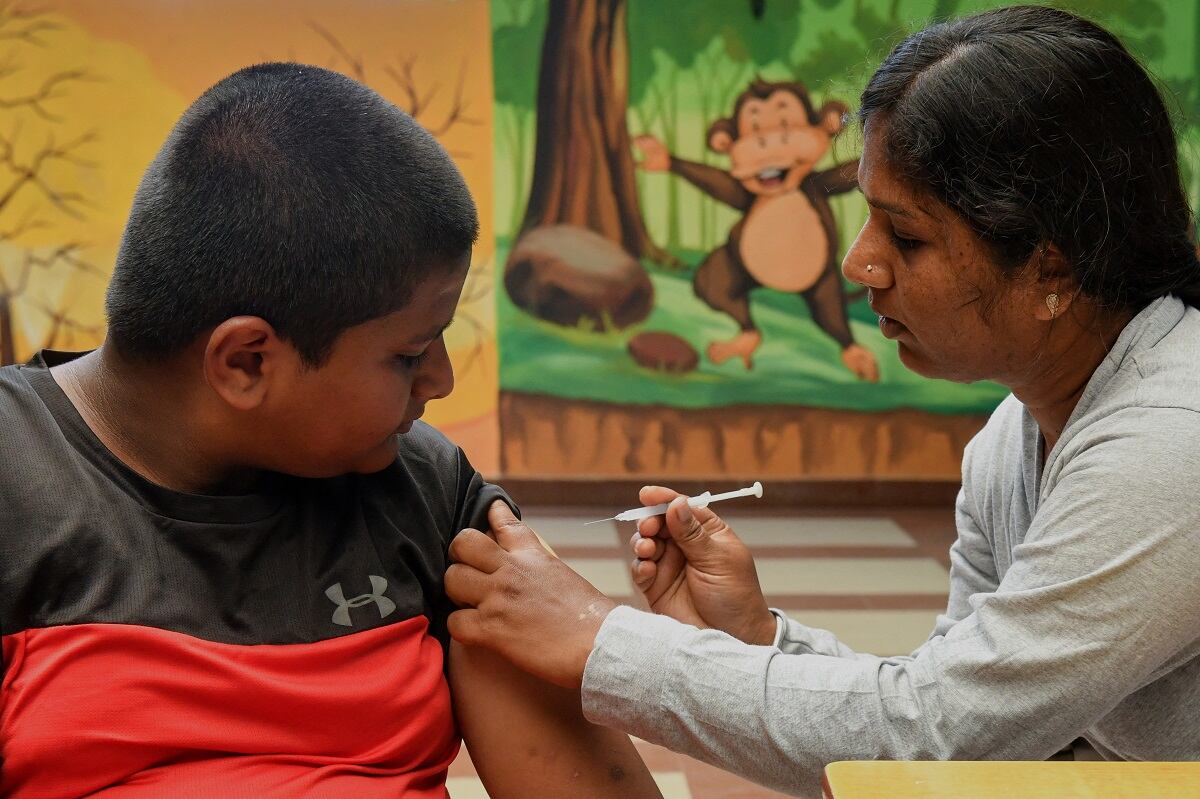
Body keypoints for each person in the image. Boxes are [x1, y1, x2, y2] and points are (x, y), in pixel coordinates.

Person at [444, 6, 1200, 797]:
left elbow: (936, 736)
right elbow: (977, 719)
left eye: (905, 237)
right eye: (865, 217)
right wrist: (757, 635)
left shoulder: (1167, 447)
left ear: (1050, 269)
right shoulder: (1012, 438)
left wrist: (599, 639)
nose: (857, 261)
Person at [0, 63, 663, 798]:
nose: (439, 380)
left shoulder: (424, 490)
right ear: (247, 360)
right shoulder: (15, 480)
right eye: (409, 353)